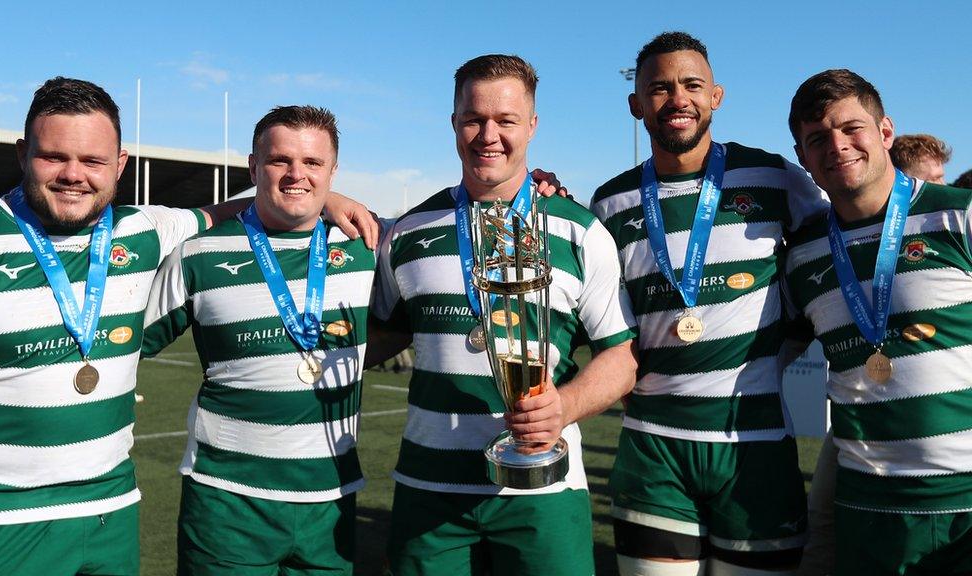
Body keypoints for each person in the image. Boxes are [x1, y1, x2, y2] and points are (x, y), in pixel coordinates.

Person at [0, 78, 376, 576]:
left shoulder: (144, 229)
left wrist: (323, 196)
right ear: (23, 155)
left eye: (92, 161)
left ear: (120, 164)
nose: (74, 175)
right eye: (53, 157)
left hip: (110, 509)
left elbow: (238, 207)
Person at [370, 54, 638, 575]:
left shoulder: (579, 232)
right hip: (431, 488)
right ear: (453, 122)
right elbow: (379, 336)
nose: (488, 134)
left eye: (506, 120)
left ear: (532, 126)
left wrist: (565, 405)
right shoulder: (408, 233)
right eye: (473, 119)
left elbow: (621, 358)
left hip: (546, 488)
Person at [590, 32, 827, 575]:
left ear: (715, 95)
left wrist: (790, 339)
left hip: (755, 442)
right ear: (636, 104)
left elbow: (832, 249)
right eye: (659, 88)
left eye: (692, 85)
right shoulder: (610, 202)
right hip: (654, 445)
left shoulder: (773, 178)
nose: (678, 99)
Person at [143, 105, 374, 574]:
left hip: (332, 501)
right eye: (279, 161)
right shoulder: (199, 254)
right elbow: (125, 346)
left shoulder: (367, 248)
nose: (296, 175)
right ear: (253, 167)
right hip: (227, 503)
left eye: (312, 163)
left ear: (333, 171)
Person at [786, 68, 972, 576]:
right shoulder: (801, 254)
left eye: (852, 129)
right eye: (817, 138)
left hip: (965, 500)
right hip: (867, 504)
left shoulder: (958, 216)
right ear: (804, 159)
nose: (838, 146)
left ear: (885, 132)